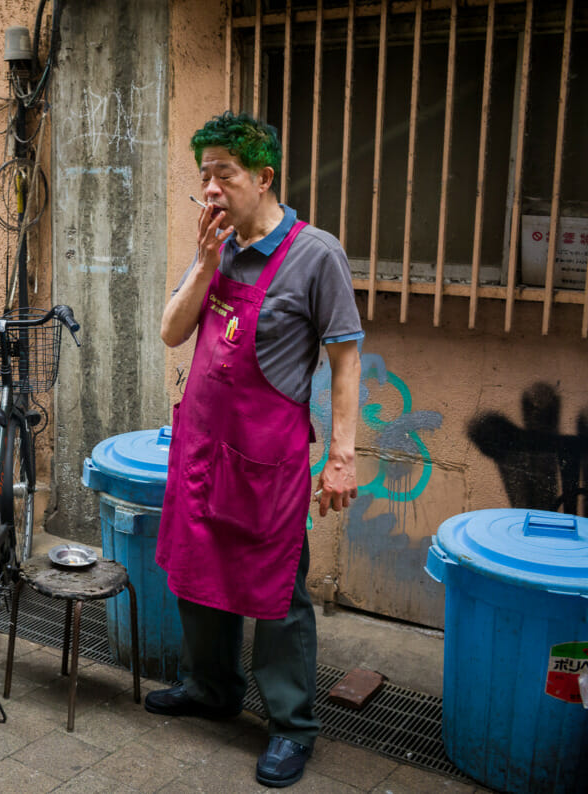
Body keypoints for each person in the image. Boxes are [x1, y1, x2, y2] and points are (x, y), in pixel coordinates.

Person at [148, 111, 362, 789]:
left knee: (276, 594)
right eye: (203, 176)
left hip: (265, 460)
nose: (210, 189)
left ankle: (292, 727)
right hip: (203, 449)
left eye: (224, 175)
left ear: (264, 177)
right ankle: (210, 690)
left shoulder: (315, 254)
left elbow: (347, 359)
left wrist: (343, 454)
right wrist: (207, 259)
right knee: (197, 574)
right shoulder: (218, 246)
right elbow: (171, 333)